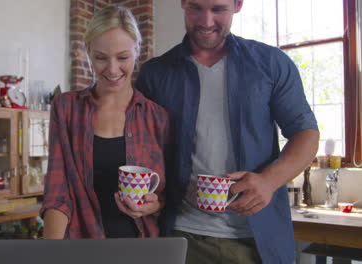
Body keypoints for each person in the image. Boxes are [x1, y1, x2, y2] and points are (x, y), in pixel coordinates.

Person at [135, 0, 319, 263]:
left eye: (218, 9)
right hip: (180, 238)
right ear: (183, 3)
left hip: (258, 242)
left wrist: (268, 181)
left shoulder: (272, 63)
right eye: (196, 8)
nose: (206, 21)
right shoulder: (155, 74)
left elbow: (306, 133)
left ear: (237, 5)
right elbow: (142, 150)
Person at [40, 5, 171, 239]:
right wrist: (51, 253)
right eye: (100, 58)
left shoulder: (157, 117)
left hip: (143, 248)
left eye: (123, 57)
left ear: (137, 50)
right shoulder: (66, 108)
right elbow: (58, 193)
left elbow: (166, 193)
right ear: (88, 50)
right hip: (83, 247)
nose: (112, 69)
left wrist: (155, 204)